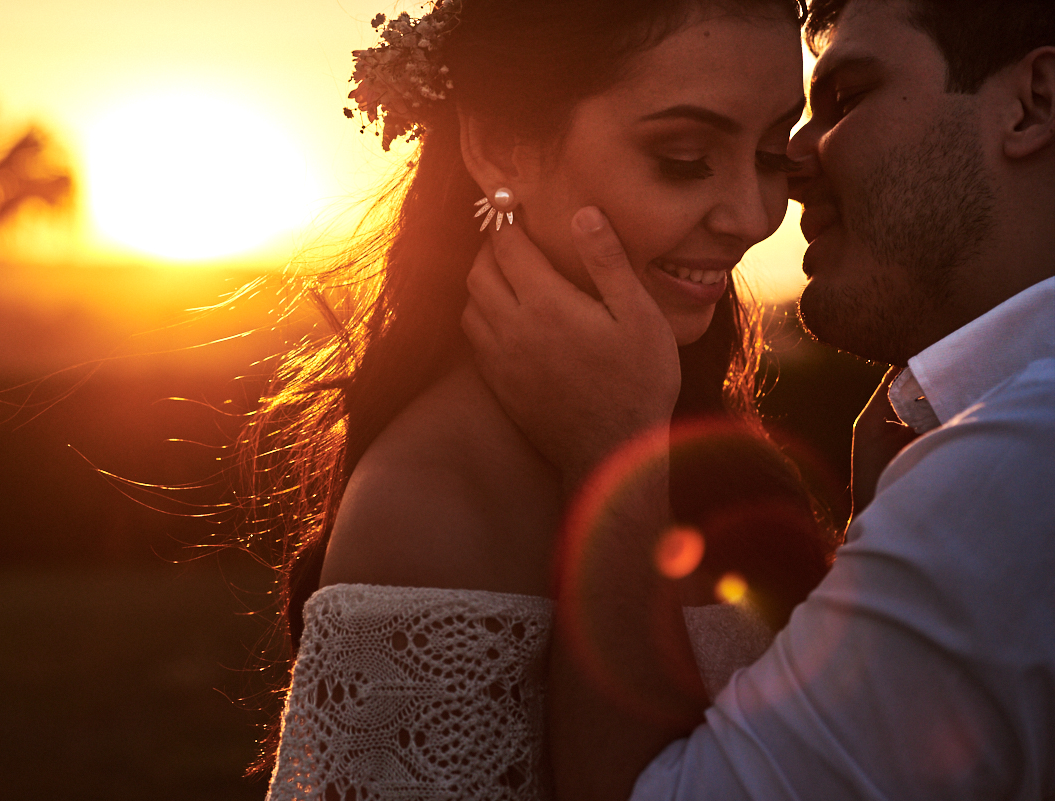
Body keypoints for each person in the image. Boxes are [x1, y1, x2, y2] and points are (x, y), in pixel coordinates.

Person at [462, 0, 1055, 797]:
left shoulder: (1011, 468)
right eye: (686, 155)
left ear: (1034, 103)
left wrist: (614, 449)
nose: (789, 173)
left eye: (848, 99)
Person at [250, 0, 839, 798]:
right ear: (501, 144)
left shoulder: (700, 431)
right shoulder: (431, 508)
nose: (754, 216)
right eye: (685, 157)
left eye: (772, 153)